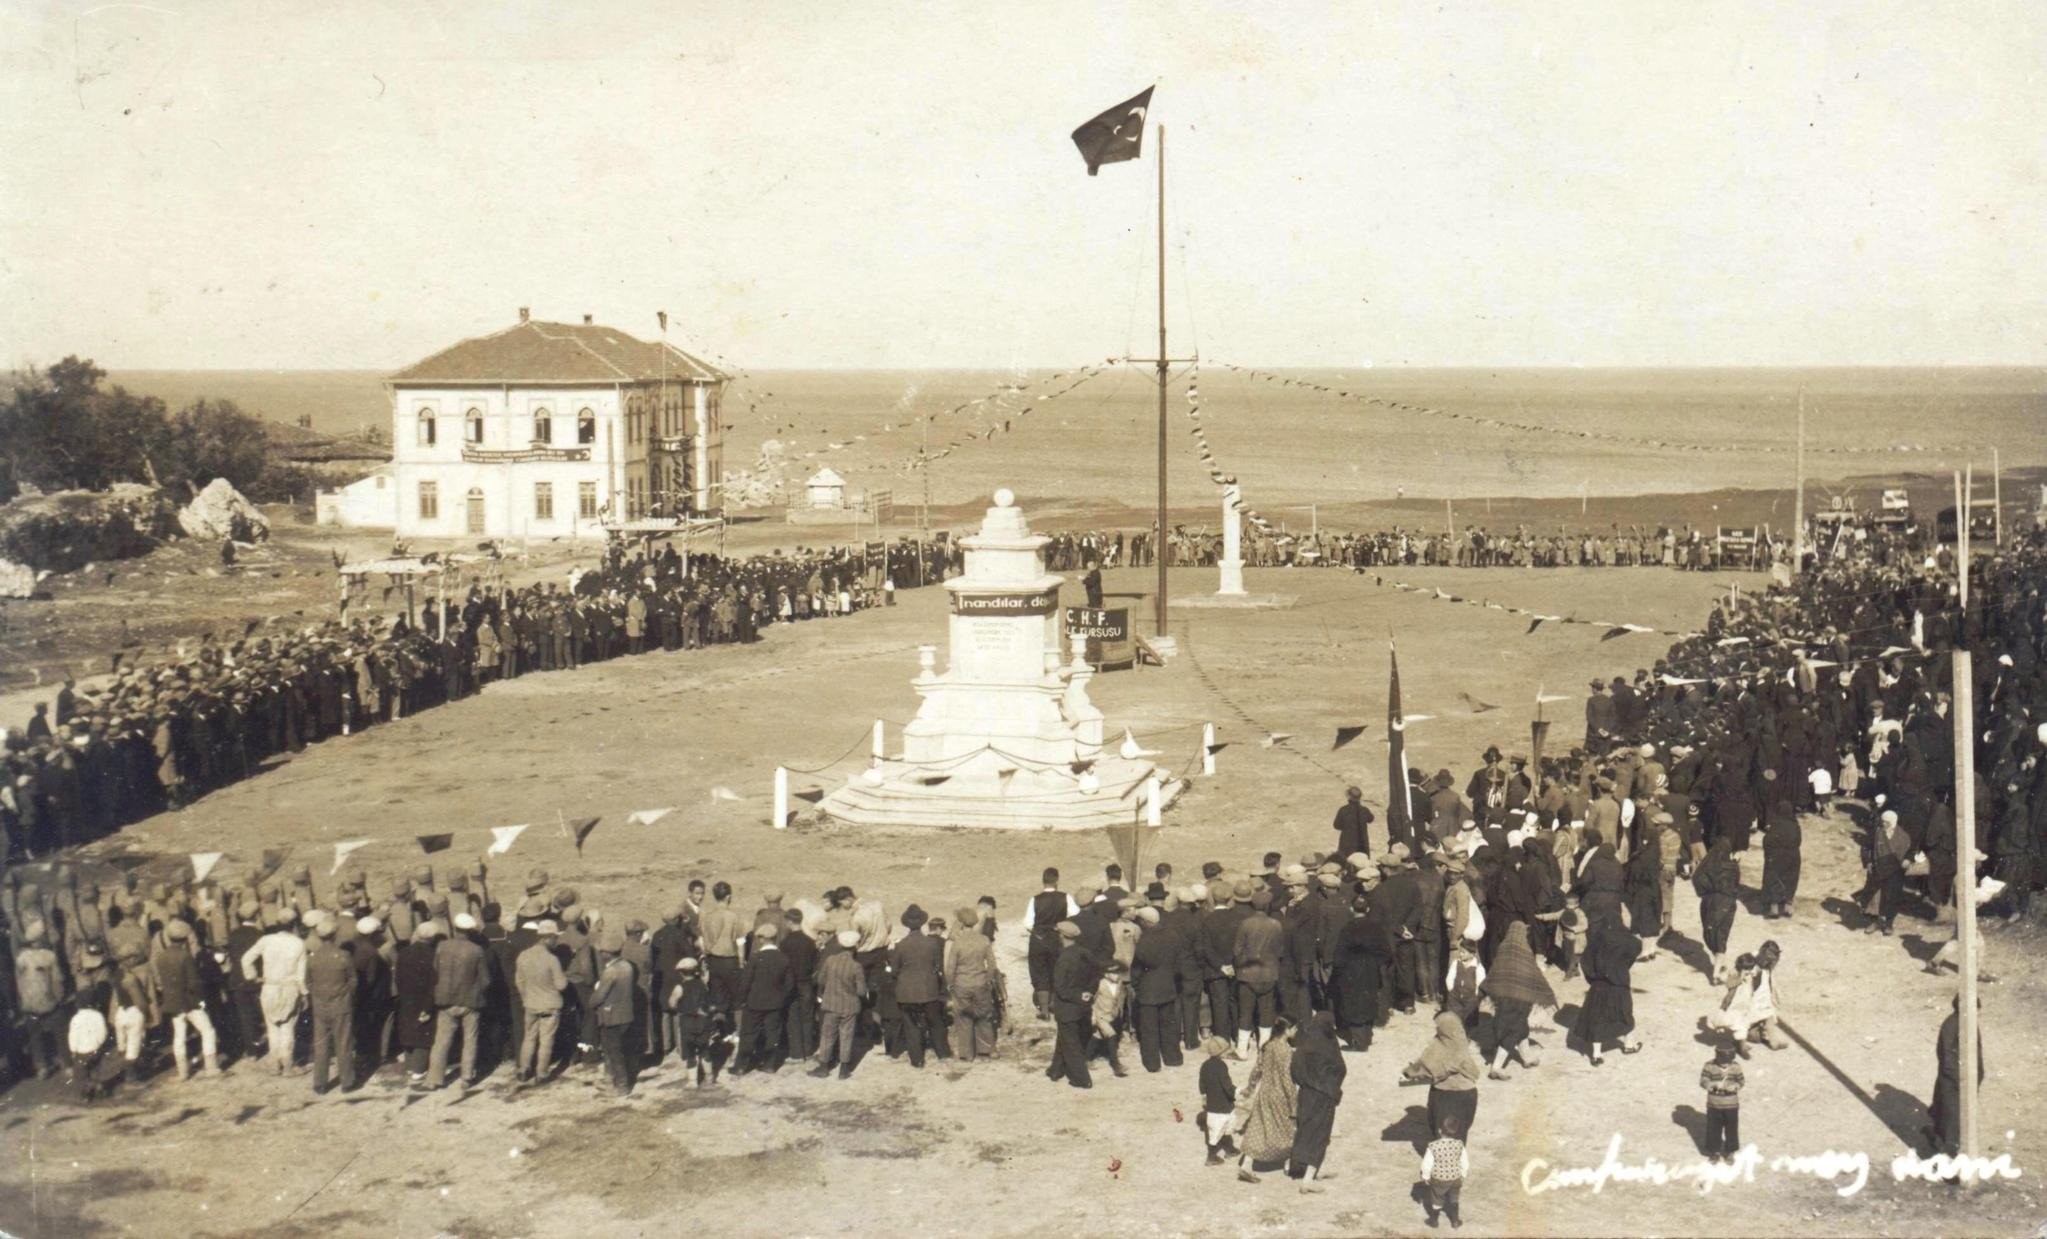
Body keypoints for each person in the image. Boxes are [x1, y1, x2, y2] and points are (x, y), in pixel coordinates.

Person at [1480, 922, 1555, 1079]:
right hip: (1520, 999)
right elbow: (1535, 975)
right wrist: (1548, 995)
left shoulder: (1503, 948)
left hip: (1503, 997)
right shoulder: (1524, 951)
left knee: (1520, 1027)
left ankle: (1527, 1058)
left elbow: (1495, 972)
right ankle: (1497, 1067)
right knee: (1512, 1030)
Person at [1231, 1015, 1298, 1183]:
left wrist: (1250, 1089)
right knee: (1288, 1129)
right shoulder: (1287, 1051)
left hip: (1265, 1093)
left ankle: (1247, 1164)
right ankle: (1289, 1164)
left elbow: (1257, 1070)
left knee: (1258, 1128)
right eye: (1294, 1028)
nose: (1296, 1031)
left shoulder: (1266, 1046)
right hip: (1280, 1095)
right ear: (1287, 1030)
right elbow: (1286, 1079)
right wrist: (1293, 1103)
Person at [241, 908, 306, 1076]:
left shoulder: (266, 940)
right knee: (288, 1027)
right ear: (294, 924)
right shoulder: (299, 943)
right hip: (290, 988)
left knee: (272, 1028)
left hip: (269, 987)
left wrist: (253, 977)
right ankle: (288, 1066)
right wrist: (304, 993)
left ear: (278, 923)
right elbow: (301, 974)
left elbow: (246, 959)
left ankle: (274, 1065)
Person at [153, 920, 221, 1079]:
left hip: (172, 1003)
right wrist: (201, 1000)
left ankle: (182, 1072)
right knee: (208, 1030)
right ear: (185, 938)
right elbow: (193, 983)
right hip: (189, 1002)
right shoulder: (185, 956)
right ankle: (211, 1067)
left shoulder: (161, 957)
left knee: (179, 1036)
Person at [428, 912, 488, 1089]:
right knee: (470, 1040)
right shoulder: (476, 950)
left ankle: (434, 1079)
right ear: (470, 931)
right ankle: (466, 1077)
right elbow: (485, 980)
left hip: (445, 1000)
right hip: (469, 1000)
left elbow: (435, 970)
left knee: (441, 1041)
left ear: (454, 928)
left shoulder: (441, 946)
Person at [1288, 1012, 1346, 1193]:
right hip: (1324, 1096)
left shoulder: (1305, 1044)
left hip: (1306, 1094)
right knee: (1320, 1134)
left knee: (1304, 1129)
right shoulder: (1330, 1046)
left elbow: (1295, 1069)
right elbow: (1341, 1070)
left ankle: (1298, 1166)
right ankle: (1308, 1180)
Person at [1403, 1011, 1482, 1141]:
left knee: (1450, 1135)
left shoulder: (1457, 1048)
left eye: (1439, 1026)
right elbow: (1426, 1062)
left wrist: (1414, 1073)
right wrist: (1413, 1071)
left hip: (1455, 1095)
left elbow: (1442, 1068)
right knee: (1446, 1132)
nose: (1437, 1029)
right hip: (1450, 1093)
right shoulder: (1443, 1041)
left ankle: (1449, 1160)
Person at [1578, 911, 1644, 1065]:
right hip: (1619, 983)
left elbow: (1585, 960)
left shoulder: (1596, 939)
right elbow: (1637, 946)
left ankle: (1596, 1054)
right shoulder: (1626, 939)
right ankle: (1629, 1045)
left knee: (1598, 1017)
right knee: (1625, 1013)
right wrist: (1623, 967)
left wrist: (1593, 977)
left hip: (1599, 984)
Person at [304, 916, 357, 1093]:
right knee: (343, 1043)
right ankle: (347, 1081)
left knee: (321, 1045)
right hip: (340, 1005)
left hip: (320, 1006)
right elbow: (353, 981)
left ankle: (320, 1083)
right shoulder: (344, 956)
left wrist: (320, 995)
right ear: (335, 935)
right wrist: (343, 993)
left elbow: (308, 982)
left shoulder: (312, 958)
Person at [1927, 995, 1983, 1158]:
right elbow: (1947, 1058)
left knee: (1958, 1122)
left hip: (1965, 1081)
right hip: (1953, 1083)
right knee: (1952, 1123)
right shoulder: (1951, 1025)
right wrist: (1961, 1081)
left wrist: (1978, 1076)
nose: (1977, 1014)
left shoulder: (1969, 1024)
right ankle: (1947, 1163)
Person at [736, 920, 792, 1075]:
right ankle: (769, 1065)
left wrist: (741, 999)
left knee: (748, 1034)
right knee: (772, 1034)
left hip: (754, 1002)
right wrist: (781, 998)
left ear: (761, 939)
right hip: (775, 1003)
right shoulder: (784, 958)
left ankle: (741, 1066)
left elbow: (746, 982)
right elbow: (789, 985)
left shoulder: (755, 958)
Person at [514, 919, 566, 1085]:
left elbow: (519, 981)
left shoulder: (523, 956)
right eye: (555, 938)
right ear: (547, 938)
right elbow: (561, 985)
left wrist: (525, 998)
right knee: (546, 1040)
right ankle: (541, 1073)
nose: (556, 941)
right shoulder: (552, 959)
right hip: (550, 1004)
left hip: (531, 1003)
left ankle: (523, 1069)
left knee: (529, 1037)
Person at [1046, 921, 1096, 1089]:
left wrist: (1078, 996)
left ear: (1062, 936)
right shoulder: (1086, 954)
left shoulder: (1063, 958)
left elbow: (1060, 987)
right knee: (1065, 1038)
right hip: (1083, 1008)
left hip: (1068, 1007)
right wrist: (1088, 993)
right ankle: (1055, 1070)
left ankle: (1082, 1079)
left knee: (1071, 1044)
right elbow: (1094, 976)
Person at [12, 920, 65, 1079]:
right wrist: (59, 996)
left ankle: (41, 1066)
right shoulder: (49, 956)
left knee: (35, 1035)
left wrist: (22, 999)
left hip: (29, 1002)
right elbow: (58, 979)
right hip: (48, 999)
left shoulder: (21, 958)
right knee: (59, 1030)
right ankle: (65, 1061)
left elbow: (18, 981)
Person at [945, 907, 999, 1060]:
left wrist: (950, 984)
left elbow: (951, 968)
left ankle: (967, 1054)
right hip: (980, 982)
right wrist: (988, 980)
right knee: (984, 1016)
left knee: (963, 1018)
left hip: (962, 984)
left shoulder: (957, 943)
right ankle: (988, 1049)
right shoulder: (983, 940)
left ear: (961, 923)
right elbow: (992, 964)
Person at [811, 931, 867, 1079]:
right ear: (855, 946)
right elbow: (861, 992)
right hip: (849, 1006)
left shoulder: (830, 961)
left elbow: (821, 980)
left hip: (831, 1004)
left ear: (840, 945)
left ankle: (823, 1067)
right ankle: (844, 1069)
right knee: (846, 1036)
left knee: (827, 1035)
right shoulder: (856, 966)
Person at [592, 929, 637, 1096]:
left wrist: (591, 1003)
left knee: (613, 1051)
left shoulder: (610, 971)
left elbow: (599, 997)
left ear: (607, 953)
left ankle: (622, 1086)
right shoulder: (627, 966)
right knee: (618, 1049)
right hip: (625, 1014)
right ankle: (611, 1080)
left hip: (611, 1016)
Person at [1692, 839, 1741, 983]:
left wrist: (1705, 892)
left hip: (1709, 902)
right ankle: (1717, 972)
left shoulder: (1707, 865)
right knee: (1722, 934)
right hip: (1726, 902)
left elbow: (1696, 878)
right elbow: (1736, 886)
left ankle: (1720, 966)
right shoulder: (1733, 867)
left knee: (1711, 933)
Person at [670, 957, 720, 1086]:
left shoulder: (679, 987)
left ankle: (693, 1081)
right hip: (702, 1022)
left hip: (687, 1022)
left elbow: (672, 1003)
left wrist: (680, 1006)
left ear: (680, 972)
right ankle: (709, 1077)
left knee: (690, 1052)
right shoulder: (702, 984)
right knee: (705, 1050)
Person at [1419, 1112, 1470, 1230]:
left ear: (1440, 1130)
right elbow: (1465, 1162)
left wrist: (1426, 1176)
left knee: (1437, 1198)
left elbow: (1427, 1164)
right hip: (1456, 1178)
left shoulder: (1433, 1146)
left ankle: (1434, 1221)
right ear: (1455, 1131)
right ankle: (1455, 1221)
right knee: (1454, 1198)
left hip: (1439, 1179)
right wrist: (1463, 1174)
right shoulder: (1459, 1144)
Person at [1700, 1042, 1745, 1163]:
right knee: (1713, 1128)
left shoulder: (1736, 1067)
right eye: (1723, 1060)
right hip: (1714, 1104)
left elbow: (1741, 1081)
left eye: (1728, 1061)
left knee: (1731, 1128)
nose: (1725, 1063)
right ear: (1717, 1056)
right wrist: (1711, 1084)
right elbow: (1703, 1080)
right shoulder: (1709, 1065)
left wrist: (1735, 1086)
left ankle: (1730, 1152)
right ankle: (1714, 1152)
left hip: (1731, 1105)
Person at [1197, 1034, 1239, 1166]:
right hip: (1223, 1105)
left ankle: (1229, 1149)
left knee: (1220, 1128)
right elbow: (1226, 1085)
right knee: (1223, 1128)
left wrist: (1204, 1094)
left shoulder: (1205, 1065)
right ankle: (1211, 1156)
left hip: (1212, 1105)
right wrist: (1235, 1093)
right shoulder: (1221, 1066)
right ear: (1221, 1052)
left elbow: (1202, 1084)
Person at [1333, 787, 1375, 860]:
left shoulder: (1343, 810)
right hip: (1362, 843)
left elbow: (1336, 825)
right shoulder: (1364, 810)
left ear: (1349, 796)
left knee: (1346, 863)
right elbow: (1371, 819)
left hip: (1347, 843)